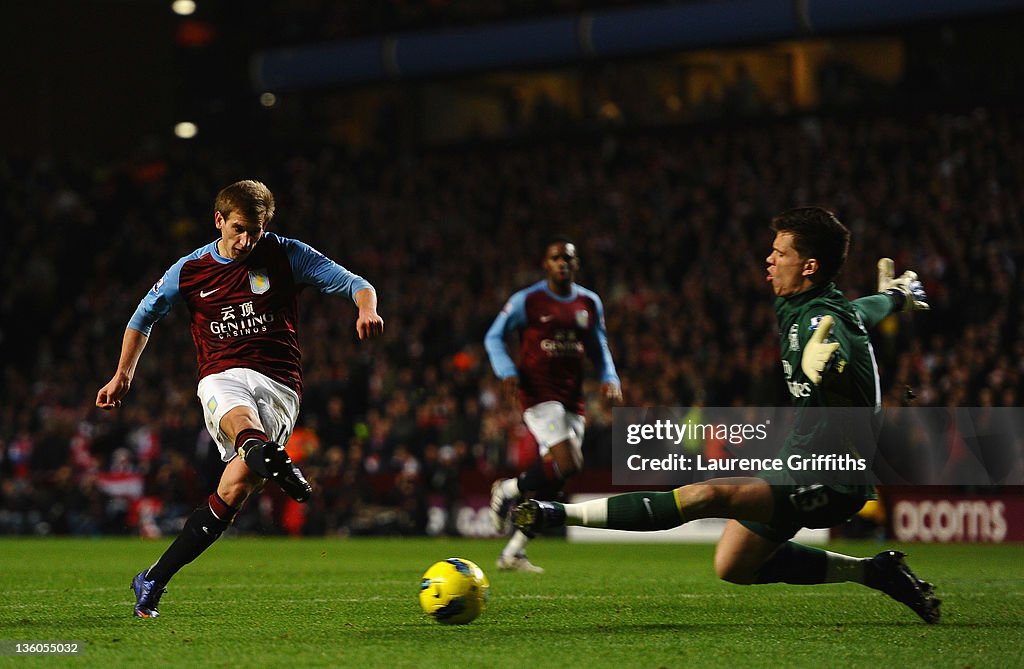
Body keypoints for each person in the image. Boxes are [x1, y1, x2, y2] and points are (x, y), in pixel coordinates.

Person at [515, 207, 941, 623]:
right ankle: (876, 571)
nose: (769, 259)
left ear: (808, 265)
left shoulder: (820, 318)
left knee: (708, 495)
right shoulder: (810, 300)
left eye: (780, 253)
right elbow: (861, 312)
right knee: (734, 564)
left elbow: (837, 347)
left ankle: (555, 513)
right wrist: (896, 297)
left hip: (833, 476)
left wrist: (828, 366)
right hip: (801, 455)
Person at [96, 180, 384, 618]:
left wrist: (366, 308)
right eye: (239, 229)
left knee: (233, 489)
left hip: (279, 385)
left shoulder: (287, 254)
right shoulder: (189, 270)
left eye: (256, 230)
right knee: (239, 421)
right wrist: (122, 376)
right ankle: (260, 450)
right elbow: (142, 318)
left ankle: (152, 577)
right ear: (219, 221)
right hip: (221, 376)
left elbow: (357, 283)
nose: (247, 240)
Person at [485, 235, 621, 573]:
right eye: (556, 258)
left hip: (572, 397)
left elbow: (598, 344)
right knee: (570, 462)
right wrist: (506, 369)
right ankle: (507, 488)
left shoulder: (589, 303)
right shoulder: (527, 301)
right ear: (546, 264)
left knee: (555, 479)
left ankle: (513, 552)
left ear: (576, 265)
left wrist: (611, 377)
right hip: (538, 392)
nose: (563, 263)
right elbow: (493, 336)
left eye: (568, 258)